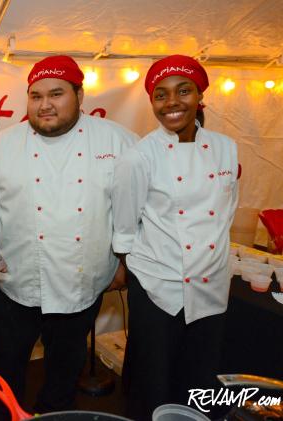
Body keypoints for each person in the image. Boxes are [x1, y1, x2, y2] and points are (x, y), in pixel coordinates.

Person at [0, 55, 138, 419]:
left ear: (80, 94)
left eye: (57, 94)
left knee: (63, 377)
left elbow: (135, 212)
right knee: (2, 376)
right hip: (15, 287)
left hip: (82, 287)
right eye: (36, 95)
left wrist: (125, 265)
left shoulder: (119, 142)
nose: (45, 104)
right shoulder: (0, 148)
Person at [111, 55, 239, 420]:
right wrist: (132, 269)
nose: (172, 103)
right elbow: (124, 227)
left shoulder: (226, 147)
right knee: (155, 381)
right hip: (158, 285)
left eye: (183, 91)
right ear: (152, 102)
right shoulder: (138, 157)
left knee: (200, 377)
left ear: (200, 96)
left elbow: (227, 209)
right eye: (161, 95)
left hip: (211, 282)